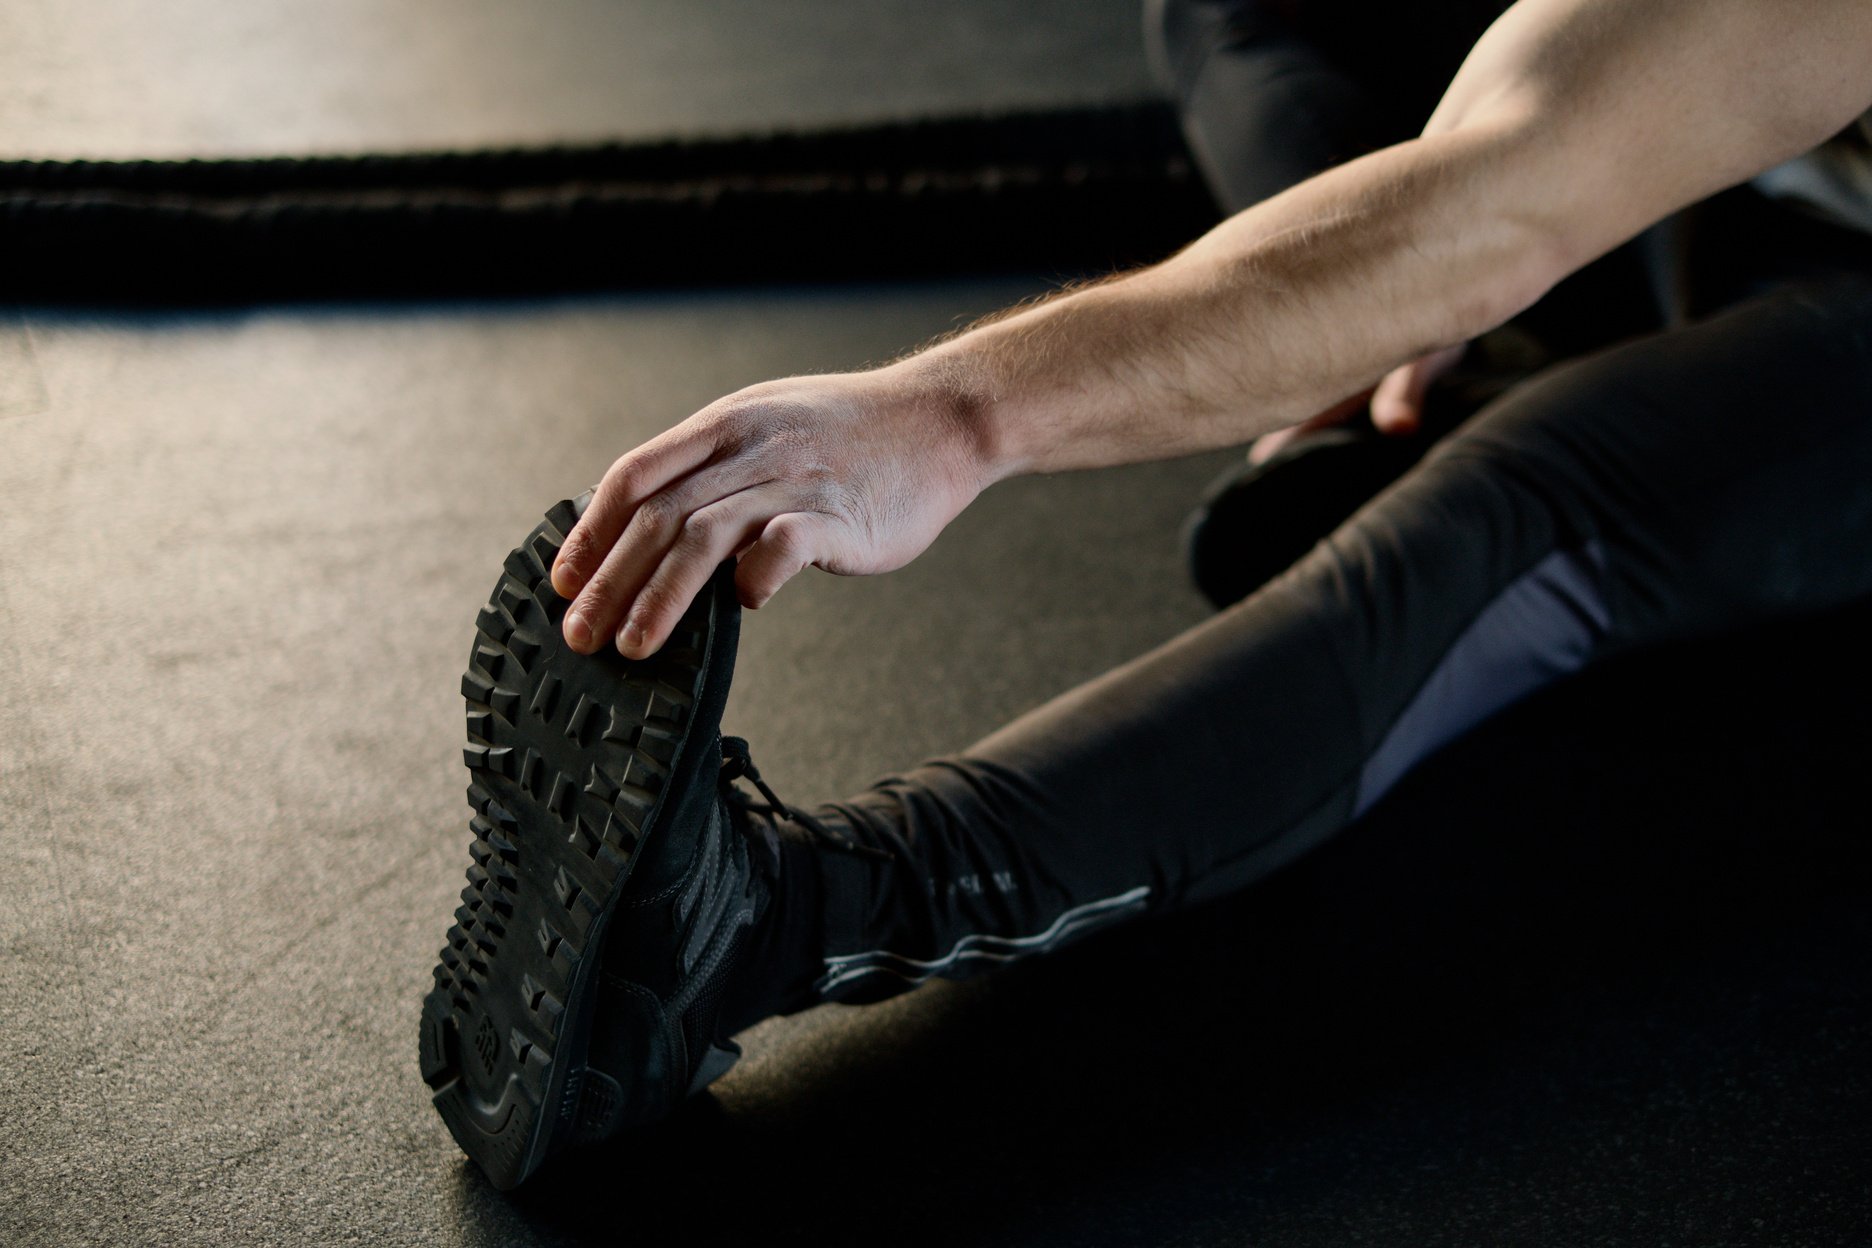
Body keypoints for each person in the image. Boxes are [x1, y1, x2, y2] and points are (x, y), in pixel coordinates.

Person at [419, 0, 1872, 1190]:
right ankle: (1450, 348)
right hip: (1767, 187)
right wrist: (1423, 272)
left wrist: (949, 416)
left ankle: (760, 931)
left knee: (1524, 504)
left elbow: (1515, 184)